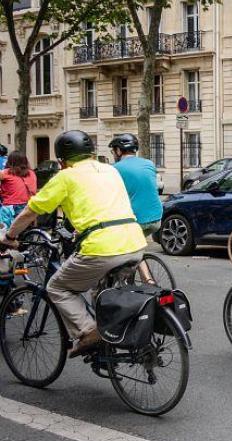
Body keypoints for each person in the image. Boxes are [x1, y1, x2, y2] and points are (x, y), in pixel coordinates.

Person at [0, 130, 146, 358]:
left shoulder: (65, 177)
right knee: (102, 290)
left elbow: (31, 210)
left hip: (102, 247)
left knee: (58, 287)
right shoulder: (110, 170)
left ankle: (89, 331)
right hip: (135, 243)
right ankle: (113, 337)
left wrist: (9, 237)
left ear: (62, 159)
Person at [108, 134, 163, 237]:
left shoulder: (115, 169)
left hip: (137, 220)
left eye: (113, 151)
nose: (114, 154)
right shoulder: (149, 163)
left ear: (119, 150)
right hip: (156, 218)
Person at [0, 151, 36, 228]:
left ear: (10, 161)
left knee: (4, 233)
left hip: (11, 207)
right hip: (29, 206)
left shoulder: (6, 172)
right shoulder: (31, 173)